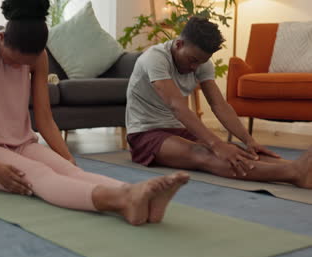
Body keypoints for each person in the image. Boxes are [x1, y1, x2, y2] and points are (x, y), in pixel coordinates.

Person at [0, 0, 190, 226]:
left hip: (22, 143)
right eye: (14, 61)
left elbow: (45, 118)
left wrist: (65, 156)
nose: (18, 68)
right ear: (2, 38)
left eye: (24, 65)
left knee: (69, 170)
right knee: (40, 174)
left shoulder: (39, 57)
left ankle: (139, 196)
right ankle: (122, 200)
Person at [125, 16, 312, 189]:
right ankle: (294, 173)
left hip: (177, 130)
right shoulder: (155, 59)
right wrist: (216, 144)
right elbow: (177, 106)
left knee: (237, 152)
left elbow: (219, 105)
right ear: (179, 44)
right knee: (203, 153)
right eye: (192, 60)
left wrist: (249, 140)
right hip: (144, 133)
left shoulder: (201, 62)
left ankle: (303, 168)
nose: (194, 67)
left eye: (200, 63)